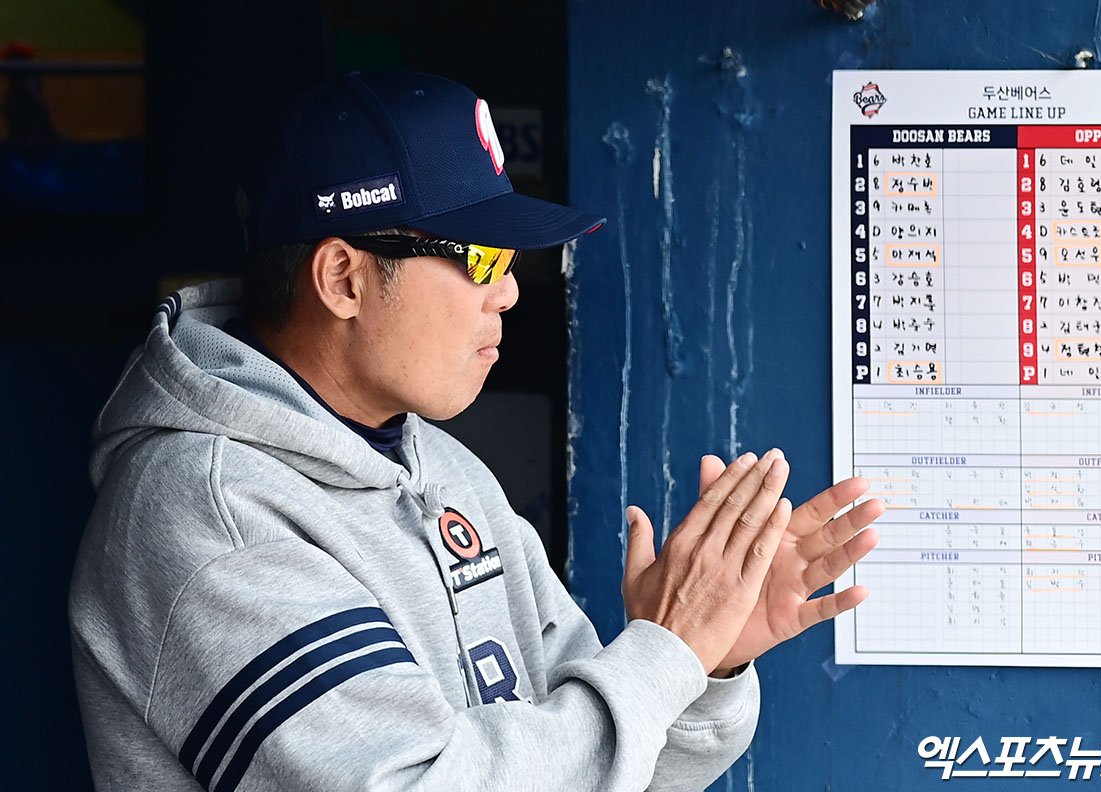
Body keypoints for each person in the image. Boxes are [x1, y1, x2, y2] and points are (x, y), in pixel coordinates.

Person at [69, 71, 882, 791]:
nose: (509, 293)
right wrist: (664, 653)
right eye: (483, 258)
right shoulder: (209, 512)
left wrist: (705, 660)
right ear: (343, 277)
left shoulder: (445, 468)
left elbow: (598, 771)